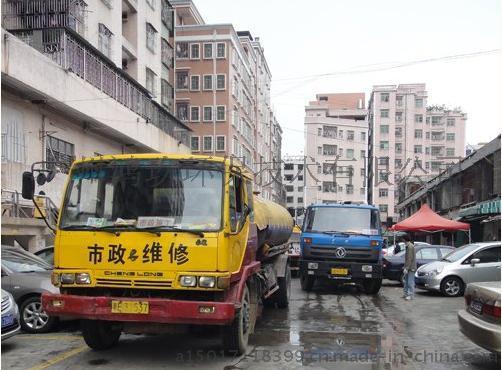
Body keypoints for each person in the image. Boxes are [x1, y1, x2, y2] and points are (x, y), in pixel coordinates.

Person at [402, 234, 416, 300]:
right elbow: (407, 259)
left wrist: (406, 268)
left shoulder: (410, 246)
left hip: (411, 267)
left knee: (410, 282)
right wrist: (405, 267)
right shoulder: (408, 246)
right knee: (406, 281)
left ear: (405, 239)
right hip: (408, 267)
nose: (402, 240)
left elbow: (409, 258)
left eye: (403, 239)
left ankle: (410, 295)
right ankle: (406, 294)